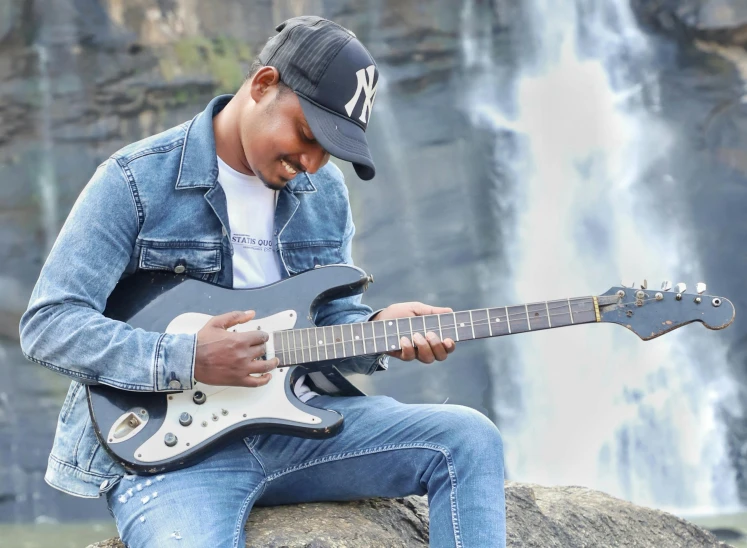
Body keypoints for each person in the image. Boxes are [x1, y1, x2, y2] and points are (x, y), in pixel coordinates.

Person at [19, 16, 506, 548]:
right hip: (170, 456)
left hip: (302, 429)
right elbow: (48, 323)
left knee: (468, 438)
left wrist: (379, 330)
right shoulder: (134, 179)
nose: (312, 161)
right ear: (263, 84)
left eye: (331, 149)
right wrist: (185, 358)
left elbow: (331, 322)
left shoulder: (326, 192)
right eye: (307, 134)